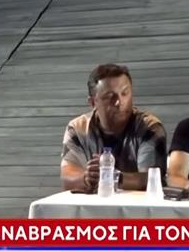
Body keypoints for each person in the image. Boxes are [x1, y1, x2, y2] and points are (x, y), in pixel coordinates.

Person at [60, 64, 166, 193]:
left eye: (125, 93)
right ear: (93, 102)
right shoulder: (77, 129)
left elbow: (151, 179)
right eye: (110, 97)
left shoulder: (149, 127)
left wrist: (112, 177)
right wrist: (86, 177)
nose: (119, 102)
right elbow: (67, 176)